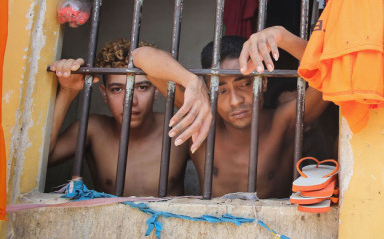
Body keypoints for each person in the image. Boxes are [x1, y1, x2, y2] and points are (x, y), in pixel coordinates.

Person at [133, 26, 328, 198]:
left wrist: (281, 35)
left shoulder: (284, 121)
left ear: (264, 82)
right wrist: (189, 80)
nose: (235, 101)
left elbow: (330, 72)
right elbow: (139, 56)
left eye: (244, 84)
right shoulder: (202, 118)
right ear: (209, 90)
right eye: (221, 90)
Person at [48, 38, 205, 196]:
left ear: (156, 90)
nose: (130, 100)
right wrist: (68, 91)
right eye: (117, 89)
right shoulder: (93, 130)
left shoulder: (179, 127)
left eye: (142, 87)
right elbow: (44, 160)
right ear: (104, 92)